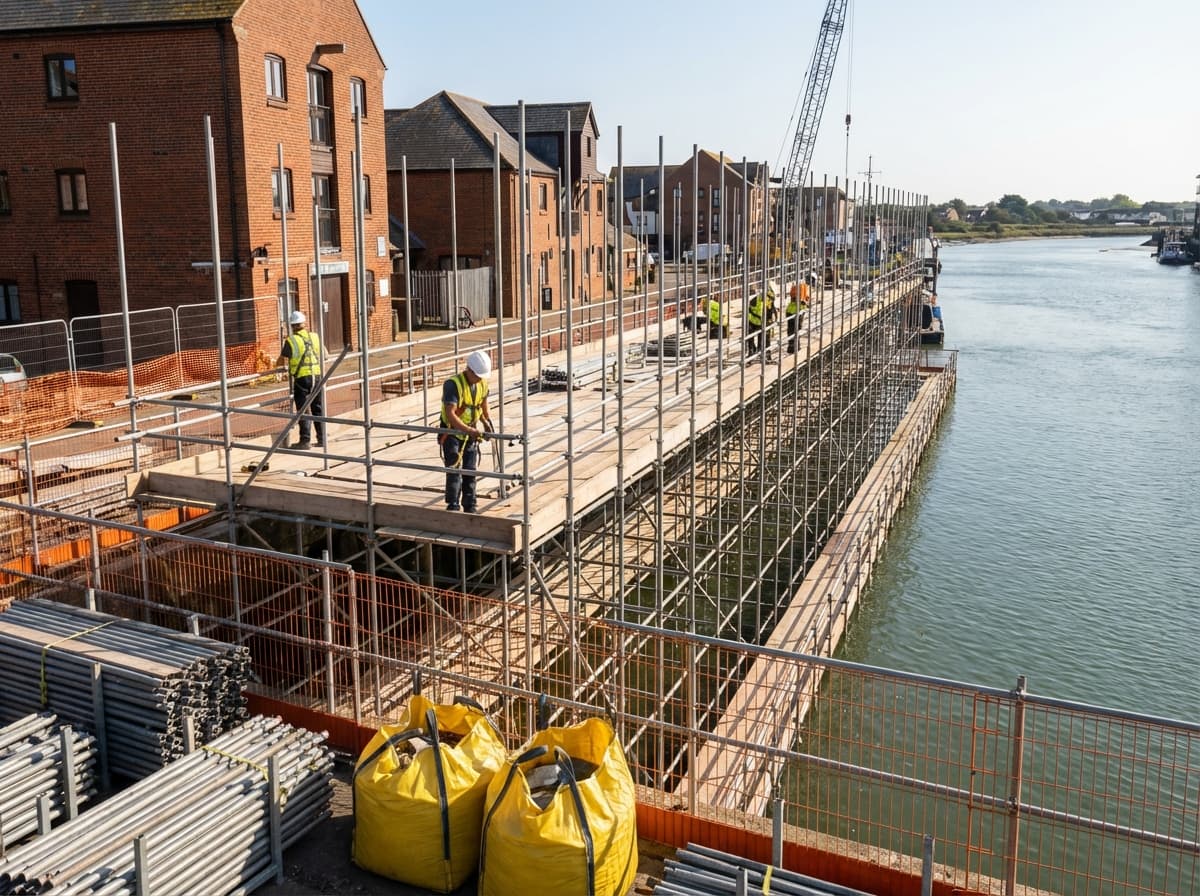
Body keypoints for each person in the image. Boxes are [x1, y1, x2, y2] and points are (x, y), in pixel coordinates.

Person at [440, 349, 493, 513]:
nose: (478, 379)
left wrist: (486, 421)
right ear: (468, 370)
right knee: (454, 468)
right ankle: (453, 504)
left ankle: (470, 504)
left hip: (471, 431)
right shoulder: (453, 385)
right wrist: (468, 430)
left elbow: (483, 403)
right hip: (451, 433)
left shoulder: (482, 382)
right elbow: (450, 414)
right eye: (476, 375)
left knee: (470, 470)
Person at [275, 309, 324, 449]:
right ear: (304, 323)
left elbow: (281, 360)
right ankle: (322, 439)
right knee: (317, 408)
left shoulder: (291, 340)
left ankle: (305, 441)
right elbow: (324, 354)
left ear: (292, 326)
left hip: (302, 379)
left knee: (303, 409)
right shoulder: (314, 336)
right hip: (317, 375)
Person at [786, 282, 810, 354]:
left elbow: (793, 297)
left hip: (790, 311)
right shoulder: (803, 288)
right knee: (796, 329)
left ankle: (791, 347)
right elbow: (805, 299)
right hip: (797, 311)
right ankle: (796, 347)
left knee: (791, 330)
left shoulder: (796, 287)